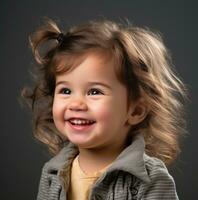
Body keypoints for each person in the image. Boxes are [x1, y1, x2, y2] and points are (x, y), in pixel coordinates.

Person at [22, 18, 187, 200]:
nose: (76, 104)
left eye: (94, 91)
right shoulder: (52, 173)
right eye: (66, 90)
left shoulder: (150, 180)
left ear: (135, 111)